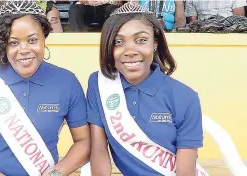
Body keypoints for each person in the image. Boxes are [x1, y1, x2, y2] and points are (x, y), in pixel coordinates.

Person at [0, 1, 90, 176]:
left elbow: (83, 141)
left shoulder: (67, 82)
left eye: (32, 40)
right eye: (14, 43)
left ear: (44, 38)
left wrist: (56, 173)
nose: (24, 50)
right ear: (4, 44)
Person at [87, 2, 209, 176]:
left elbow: (185, 171)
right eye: (118, 42)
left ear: (155, 44)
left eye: (141, 40)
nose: (130, 50)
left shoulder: (185, 97)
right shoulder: (99, 84)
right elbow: (99, 150)